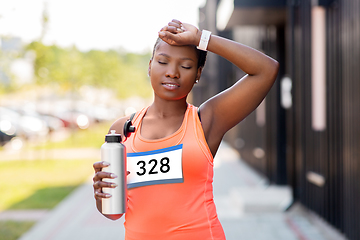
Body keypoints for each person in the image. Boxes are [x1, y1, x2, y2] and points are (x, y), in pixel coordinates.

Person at [93, 19, 279, 240]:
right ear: (150, 65)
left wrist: (202, 38)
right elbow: (113, 213)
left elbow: (266, 69)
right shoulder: (122, 130)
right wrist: (100, 193)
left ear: (198, 73)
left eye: (186, 66)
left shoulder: (206, 120)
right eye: (163, 62)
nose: (172, 72)